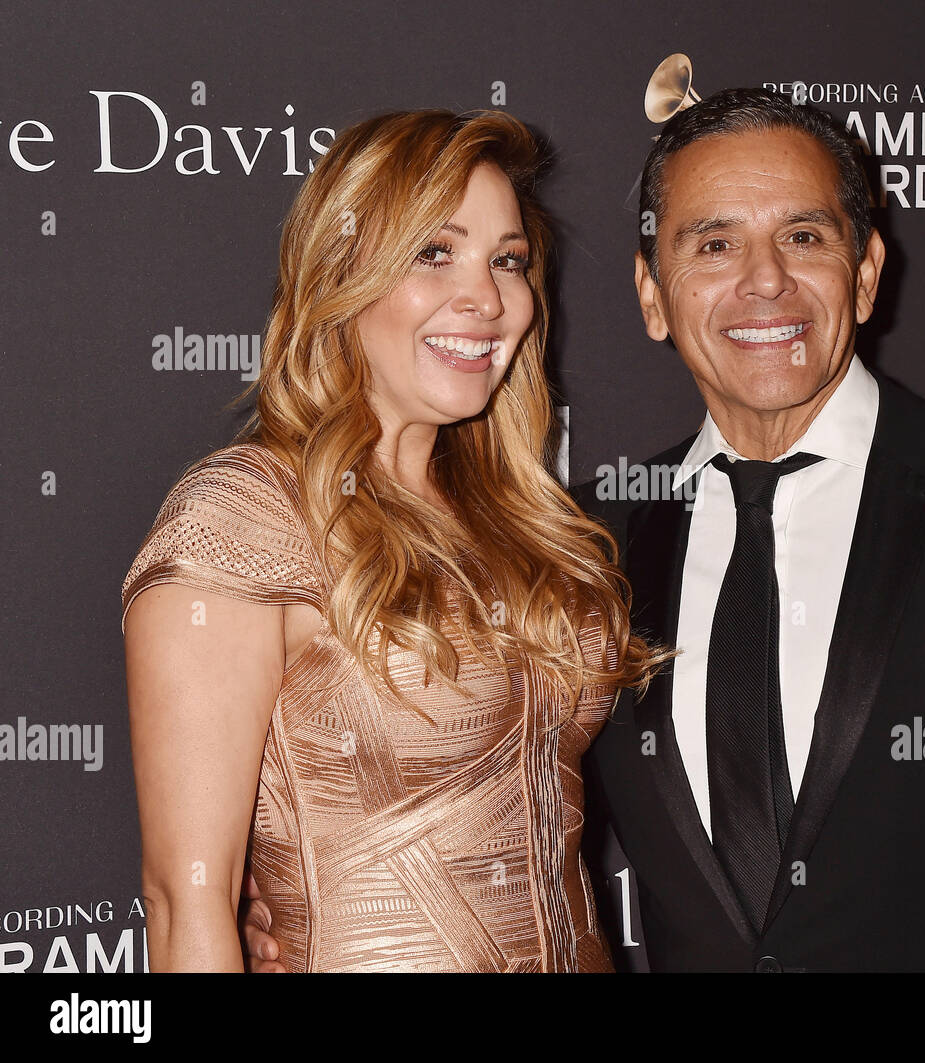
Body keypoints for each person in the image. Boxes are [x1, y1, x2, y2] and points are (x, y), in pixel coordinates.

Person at [242, 88, 925, 974]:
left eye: (804, 237)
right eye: (712, 243)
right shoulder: (583, 544)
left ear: (863, 273)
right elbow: (493, 794)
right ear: (651, 294)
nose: (762, 281)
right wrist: (291, 900)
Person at [122, 108, 661, 972]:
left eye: (508, 260)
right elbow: (186, 904)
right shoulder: (245, 515)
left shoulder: (520, 516)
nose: (487, 297)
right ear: (341, 273)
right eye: (434, 252)